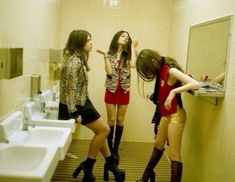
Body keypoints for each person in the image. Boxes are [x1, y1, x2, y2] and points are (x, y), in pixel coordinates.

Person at [58, 30, 125, 182]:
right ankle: (88, 165)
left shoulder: (77, 58)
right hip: (77, 105)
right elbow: (70, 89)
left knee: (102, 131)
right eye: (89, 40)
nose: (91, 43)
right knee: (104, 130)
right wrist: (74, 113)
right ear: (80, 42)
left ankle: (109, 164)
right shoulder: (74, 61)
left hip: (81, 101)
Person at [135, 49, 200, 182]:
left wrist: (173, 92)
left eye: (148, 69)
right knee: (158, 144)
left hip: (176, 116)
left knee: (173, 154)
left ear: (153, 62)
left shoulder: (171, 70)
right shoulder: (160, 71)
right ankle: (145, 178)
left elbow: (195, 84)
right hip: (166, 115)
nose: (149, 74)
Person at [97, 30, 138, 166]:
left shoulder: (129, 54)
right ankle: (109, 150)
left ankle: (115, 150)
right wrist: (105, 56)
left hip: (124, 90)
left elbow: (133, 65)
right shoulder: (109, 53)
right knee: (111, 119)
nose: (125, 38)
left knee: (120, 120)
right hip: (111, 89)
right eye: (123, 36)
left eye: (128, 37)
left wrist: (132, 47)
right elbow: (109, 72)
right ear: (116, 38)